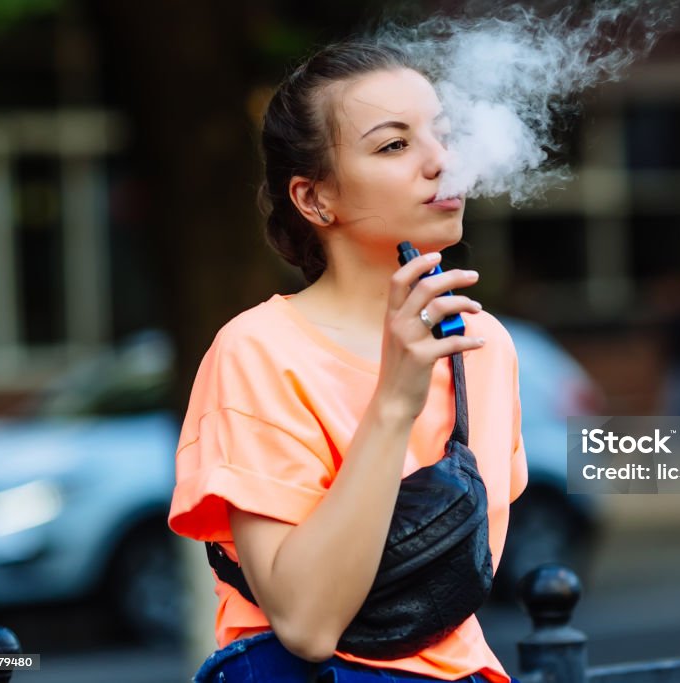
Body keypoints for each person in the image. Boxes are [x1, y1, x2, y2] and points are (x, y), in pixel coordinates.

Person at [167, 41, 528, 683]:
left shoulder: (485, 347)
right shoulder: (259, 351)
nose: (440, 161)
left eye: (441, 135)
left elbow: (450, 590)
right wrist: (395, 402)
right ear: (314, 199)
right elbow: (307, 625)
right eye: (394, 145)